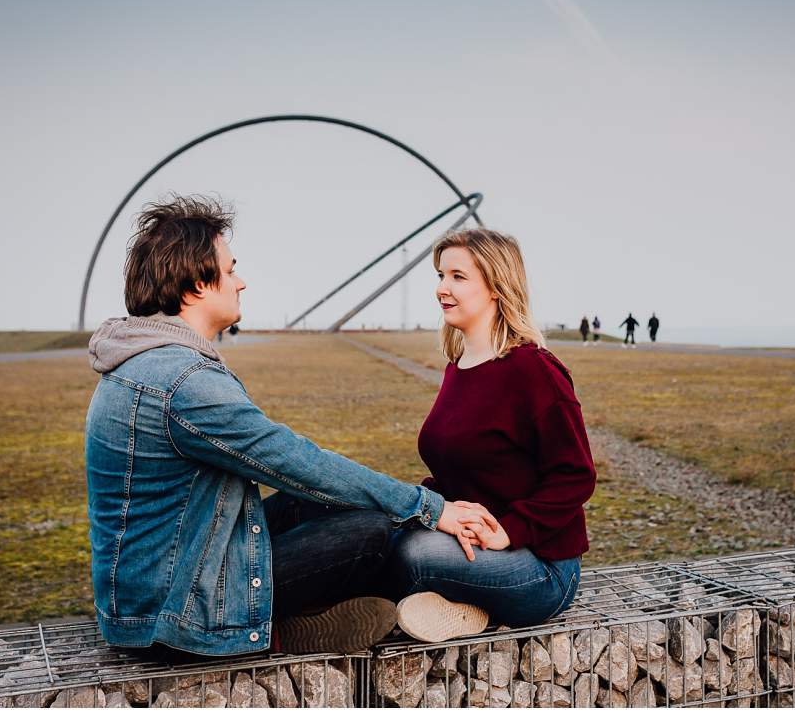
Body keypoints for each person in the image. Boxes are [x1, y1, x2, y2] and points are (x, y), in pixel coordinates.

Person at [84, 195, 483, 659]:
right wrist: (431, 508)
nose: (241, 282)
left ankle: (293, 621)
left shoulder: (139, 361)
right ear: (196, 285)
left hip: (149, 592)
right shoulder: (184, 382)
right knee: (371, 532)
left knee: (310, 504)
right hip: (177, 614)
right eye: (230, 270)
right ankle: (271, 627)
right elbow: (295, 460)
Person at [388, 228, 597, 643]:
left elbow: (576, 475)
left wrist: (509, 530)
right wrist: (426, 507)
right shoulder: (458, 365)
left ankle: (448, 602)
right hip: (473, 542)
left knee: (412, 554)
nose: (441, 289)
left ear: (497, 287)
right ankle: (462, 608)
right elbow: (463, 469)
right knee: (373, 523)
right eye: (440, 275)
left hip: (541, 568)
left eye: (457, 277)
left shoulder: (534, 371)